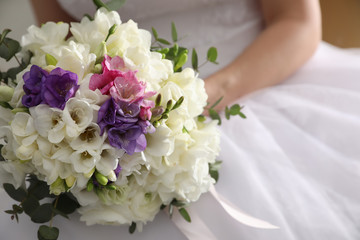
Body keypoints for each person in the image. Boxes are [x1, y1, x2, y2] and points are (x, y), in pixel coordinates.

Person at [1, 0, 359, 239]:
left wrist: (189, 104)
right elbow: (65, 46)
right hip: (110, 129)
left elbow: (297, 21)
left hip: (257, 85)